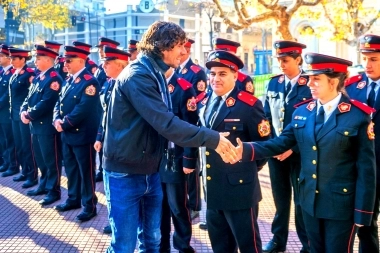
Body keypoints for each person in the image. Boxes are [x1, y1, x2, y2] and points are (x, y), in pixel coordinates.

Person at [102, 21, 237, 253]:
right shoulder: (138, 76)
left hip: (151, 170)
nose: (184, 52)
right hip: (125, 173)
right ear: (162, 47)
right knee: (124, 245)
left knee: (153, 240)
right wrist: (212, 139)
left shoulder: (156, 72)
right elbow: (166, 123)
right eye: (179, 46)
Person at [235, 53, 376, 253]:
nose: (310, 83)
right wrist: (246, 149)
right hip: (309, 202)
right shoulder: (303, 112)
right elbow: (281, 142)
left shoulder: (357, 117)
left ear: (334, 82)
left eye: (316, 79)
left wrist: (363, 213)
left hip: (341, 206)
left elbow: (366, 170)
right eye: (309, 78)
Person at [197, 50, 270, 253]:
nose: (215, 79)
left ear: (235, 75)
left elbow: (264, 145)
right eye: (212, 73)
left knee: (249, 246)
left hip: (240, 190)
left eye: (222, 74)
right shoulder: (204, 102)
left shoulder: (249, 105)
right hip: (212, 187)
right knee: (220, 246)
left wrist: (245, 170)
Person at [263, 40, 310, 253]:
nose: (281, 64)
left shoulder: (310, 84)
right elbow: (266, 118)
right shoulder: (273, 83)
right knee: (280, 201)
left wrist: (292, 148)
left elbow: (312, 124)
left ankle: (306, 243)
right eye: (279, 60)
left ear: (298, 59)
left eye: (285, 60)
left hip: (299, 154)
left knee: (301, 203)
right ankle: (278, 240)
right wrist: (272, 145)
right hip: (276, 154)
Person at [53, 45, 100, 222]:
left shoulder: (90, 81)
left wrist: (64, 123)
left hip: (82, 135)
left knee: (86, 172)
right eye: (65, 60)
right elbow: (59, 103)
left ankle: (90, 206)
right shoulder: (69, 80)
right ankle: (73, 199)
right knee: (71, 170)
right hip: (67, 134)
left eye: (69, 60)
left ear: (81, 61)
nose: (66, 64)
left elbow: (83, 109)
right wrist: (56, 119)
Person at [345, 34, 380, 253]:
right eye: (365, 58)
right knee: (365, 224)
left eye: (374, 59)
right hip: (364, 169)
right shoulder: (353, 87)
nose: (367, 64)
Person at [159, 68, 198, 253]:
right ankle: (162, 246)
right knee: (158, 206)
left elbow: (190, 126)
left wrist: (189, 159)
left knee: (178, 207)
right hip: (154, 157)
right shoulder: (151, 85)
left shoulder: (184, 88)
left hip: (175, 157)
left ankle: (183, 246)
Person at [93, 46, 130, 234]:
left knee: (123, 190)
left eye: (107, 63)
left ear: (121, 64)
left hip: (124, 146)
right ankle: (114, 221)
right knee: (111, 190)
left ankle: (122, 225)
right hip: (108, 145)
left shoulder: (130, 84)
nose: (103, 65)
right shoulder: (108, 84)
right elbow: (105, 114)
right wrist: (99, 136)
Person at [21, 45, 63, 206]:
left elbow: (47, 103)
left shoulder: (54, 79)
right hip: (36, 126)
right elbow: (28, 97)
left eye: (38, 59)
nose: (35, 62)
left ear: (47, 60)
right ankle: (44, 185)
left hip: (46, 127)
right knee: (41, 159)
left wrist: (29, 115)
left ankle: (54, 190)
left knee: (51, 160)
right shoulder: (39, 77)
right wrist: (23, 110)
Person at [176, 38, 208, 220]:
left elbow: (200, 96)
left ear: (186, 51)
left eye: (181, 50)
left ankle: (195, 205)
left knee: (192, 165)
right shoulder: (174, 70)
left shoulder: (196, 72)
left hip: (190, 121)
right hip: (177, 124)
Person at [5, 48, 38, 189]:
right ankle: (24, 171)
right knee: (19, 145)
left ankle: (32, 175)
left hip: (24, 116)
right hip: (14, 115)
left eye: (14, 58)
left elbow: (32, 96)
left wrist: (27, 112)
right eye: (11, 58)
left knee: (27, 146)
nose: (11, 61)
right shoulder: (14, 74)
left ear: (23, 59)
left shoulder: (29, 74)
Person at [93, 37, 120, 183]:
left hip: (110, 111)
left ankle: (103, 169)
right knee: (101, 145)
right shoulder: (99, 68)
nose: (100, 51)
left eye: (103, 49)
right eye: (100, 49)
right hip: (101, 110)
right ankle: (101, 168)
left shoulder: (112, 71)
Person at [0, 45, 17, 175]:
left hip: (6, 111)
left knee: (9, 139)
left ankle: (13, 165)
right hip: (1, 112)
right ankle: (6, 162)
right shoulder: (2, 72)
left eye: (1, 55)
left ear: (7, 57)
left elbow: (7, 93)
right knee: (2, 139)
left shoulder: (12, 72)